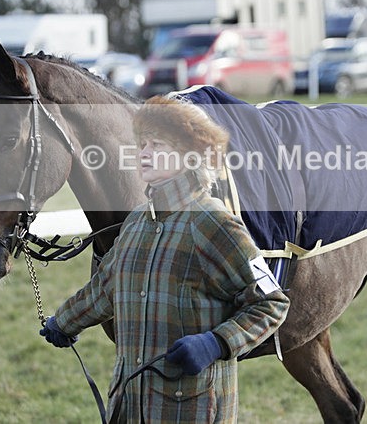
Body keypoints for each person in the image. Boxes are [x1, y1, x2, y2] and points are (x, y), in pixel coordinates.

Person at [39, 95, 290, 423]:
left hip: (190, 409)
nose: (143, 153)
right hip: (129, 405)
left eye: (156, 145)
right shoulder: (136, 222)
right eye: (142, 144)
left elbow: (272, 303)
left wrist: (216, 343)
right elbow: (107, 287)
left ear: (187, 155)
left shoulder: (214, 222)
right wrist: (65, 322)